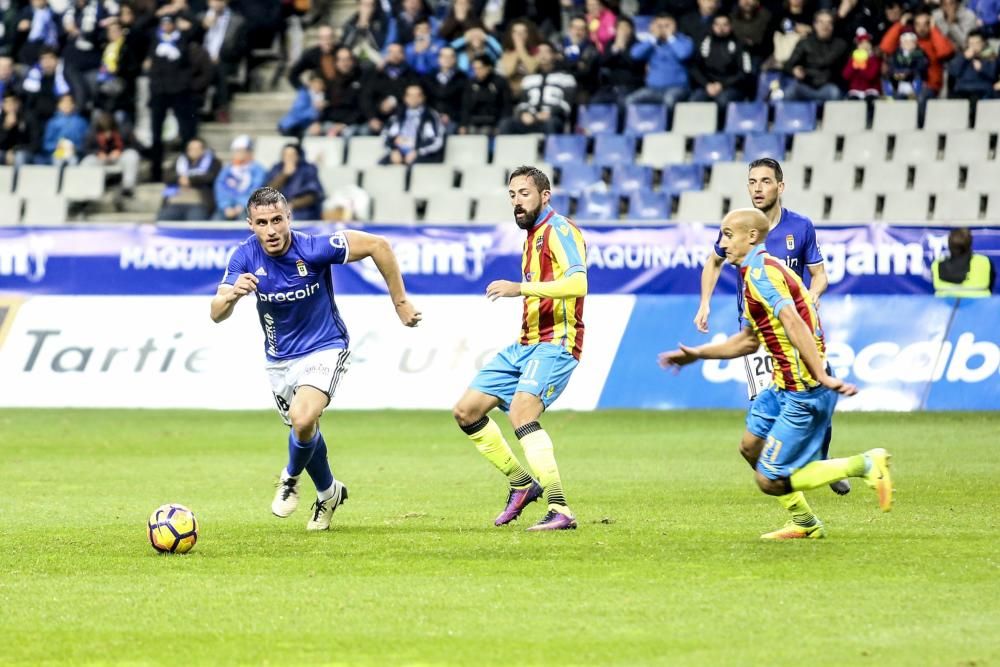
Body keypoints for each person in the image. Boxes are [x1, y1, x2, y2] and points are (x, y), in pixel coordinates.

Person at [660, 208, 894, 540]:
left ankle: (865, 464)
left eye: (728, 234)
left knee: (769, 479)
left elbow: (793, 321)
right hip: (783, 385)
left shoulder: (761, 273)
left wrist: (822, 376)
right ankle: (805, 523)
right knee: (750, 447)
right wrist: (697, 355)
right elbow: (748, 341)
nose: (722, 242)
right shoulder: (757, 271)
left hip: (805, 389)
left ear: (751, 236)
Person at [210, 186, 421, 531]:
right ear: (251, 224)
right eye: (262, 222)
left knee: (303, 417)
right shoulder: (244, 257)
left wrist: (400, 303)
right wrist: (233, 295)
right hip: (279, 359)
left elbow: (378, 246)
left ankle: (290, 478)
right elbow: (216, 313)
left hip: (325, 346)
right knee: (305, 429)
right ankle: (328, 493)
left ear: (289, 217)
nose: (272, 230)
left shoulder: (314, 247)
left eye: (278, 220)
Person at [693, 158, 850, 498]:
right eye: (752, 182)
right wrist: (705, 302)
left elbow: (820, 275)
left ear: (781, 186)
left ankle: (819, 462)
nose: (757, 188)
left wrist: (811, 295)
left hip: (797, 332)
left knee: (807, 397)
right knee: (766, 415)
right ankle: (791, 478)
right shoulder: (739, 227)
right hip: (758, 335)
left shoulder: (801, 227)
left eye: (765, 181)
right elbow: (714, 260)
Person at [452, 165, 587, 531]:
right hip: (525, 344)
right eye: (512, 195)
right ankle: (522, 483)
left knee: (523, 413)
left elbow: (578, 283)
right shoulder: (532, 235)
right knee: (466, 411)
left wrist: (520, 288)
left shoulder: (560, 230)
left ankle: (561, 509)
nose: (517, 202)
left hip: (556, 343)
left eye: (524, 193)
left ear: (545, 196)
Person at [380, 82, 445, 164]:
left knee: (415, 162)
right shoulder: (397, 116)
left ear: (423, 97)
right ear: (405, 98)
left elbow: (437, 140)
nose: (413, 98)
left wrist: (418, 151)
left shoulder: (431, 116)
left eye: (417, 95)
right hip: (399, 152)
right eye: (410, 95)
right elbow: (386, 136)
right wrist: (394, 150)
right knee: (382, 164)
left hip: (422, 153)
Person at [265, 143, 325, 221]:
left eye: (291, 155)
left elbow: (313, 195)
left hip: (302, 211)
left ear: (298, 156)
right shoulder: (276, 169)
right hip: (278, 209)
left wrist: (292, 205)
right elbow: (267, 192)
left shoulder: (308, 169)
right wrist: (284, 175)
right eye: (285, 155)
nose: (288, 158)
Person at [214, 134, 267, 220]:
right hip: (227, 207)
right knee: (215, 222)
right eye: (236, 151)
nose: (237, 154)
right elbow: (221, 187)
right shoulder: (228, 169)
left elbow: (256, 189)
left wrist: (242, 205)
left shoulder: (258, 169)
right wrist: (226, 206)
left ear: (249, 152)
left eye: (240, 151)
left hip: (248, 207)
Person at [932, 227, 995, 297]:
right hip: (979, 305)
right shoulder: (984, 262)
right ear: (970, 243)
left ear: (949, 245)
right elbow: (991, 285)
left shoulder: (936, 265)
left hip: (946, 306)